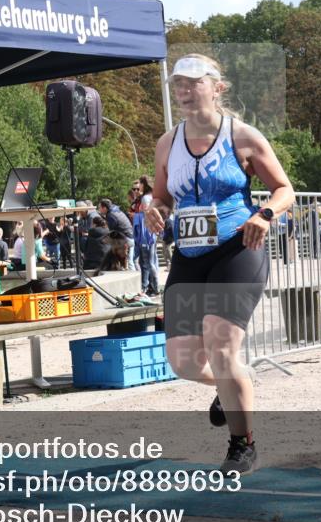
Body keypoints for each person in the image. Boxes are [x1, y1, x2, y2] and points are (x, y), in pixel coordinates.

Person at [144, 53, 295, 475]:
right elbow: (163, 196)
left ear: (217, 88)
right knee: (184, 363)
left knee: (222, 348)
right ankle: (233, 384)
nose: (184, 90)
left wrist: (265, 215)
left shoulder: (242, 136)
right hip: (189, 256)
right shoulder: (166, 142)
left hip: (237, 248)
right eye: (178, 83)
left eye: (194, 83)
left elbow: (284, 189)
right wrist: (156, 210)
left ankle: (242, 445)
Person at [132, 195, 160, 296]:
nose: (143, 206)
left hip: (145, 242)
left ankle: (149, 287)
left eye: (144, 204)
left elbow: (136, 231)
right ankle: (152, 287)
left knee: (147, 264)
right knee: (150, 264)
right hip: (150, 241)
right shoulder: (153, 215)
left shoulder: (139, 216)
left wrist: (139, 241)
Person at [99, 198, 135, 269]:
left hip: (125, 239)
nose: (99, 209)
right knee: (131, 262)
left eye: (100, 207)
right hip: (130, 236)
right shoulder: (116, 210)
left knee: (127, 262)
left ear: (105, 208)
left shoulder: (110, 215)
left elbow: (111, 232)